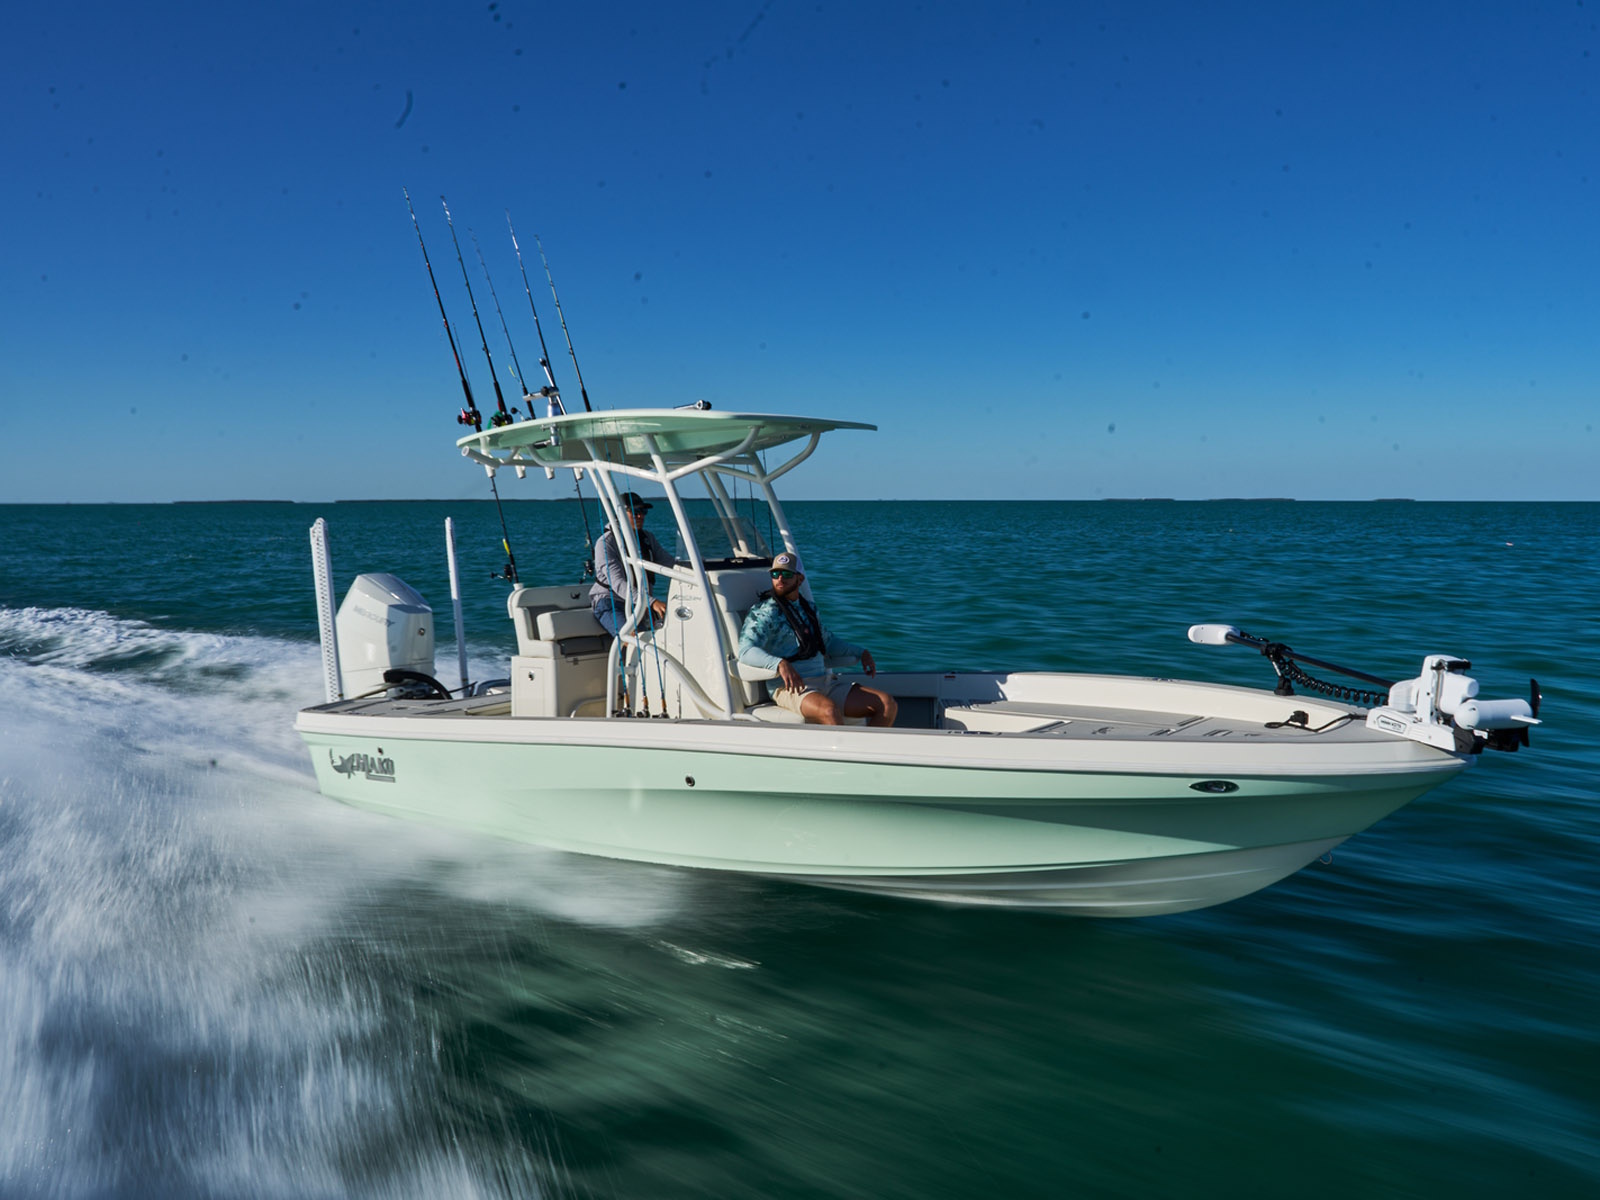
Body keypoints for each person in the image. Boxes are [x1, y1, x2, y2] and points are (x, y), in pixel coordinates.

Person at [737, 551, 897, 726]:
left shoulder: (809, 609)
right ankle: (843, 745)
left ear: (800, 579)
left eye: (787, 574)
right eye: (775, 574)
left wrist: (861, 652)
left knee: (887, 704)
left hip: (825, 682)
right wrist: (779, 664)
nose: (780, 579)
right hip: (789, 687)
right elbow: (745, 651)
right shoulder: (764, 613)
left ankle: (862, 745)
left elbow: (827, 642)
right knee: (829, 711)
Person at [590, 491, 675, 636]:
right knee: (633, 638)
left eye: (643, 511)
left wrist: (700, 567)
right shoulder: (606, 543)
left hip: (638, 603)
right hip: (611, 602)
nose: (641, 516)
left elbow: (671, 564)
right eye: (635, 512)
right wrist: (651, 602)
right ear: (620, 514)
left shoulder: (647, 538)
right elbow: (618, 583)